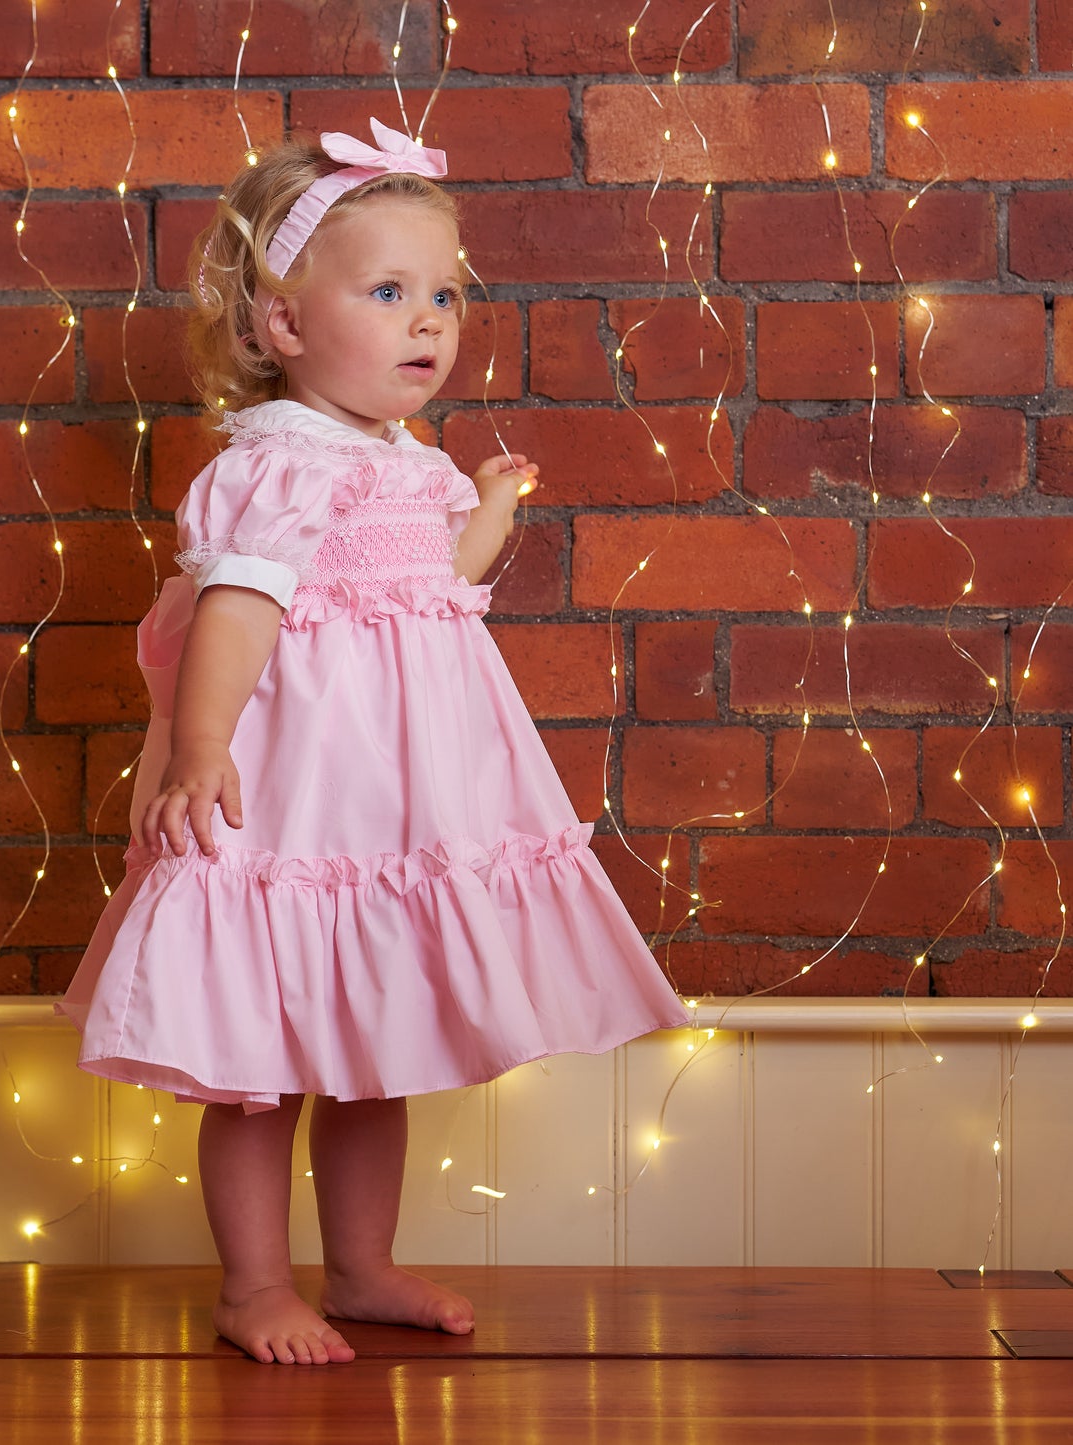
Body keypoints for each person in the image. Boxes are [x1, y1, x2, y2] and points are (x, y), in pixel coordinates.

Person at [60, 119, 689, 1366]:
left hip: (400, 798)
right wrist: (197, 751)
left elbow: (433, 583)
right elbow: (234, 611)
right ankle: (251, 1283)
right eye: (389, 291)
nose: (429, 322)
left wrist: (491, 511)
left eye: (445, 294)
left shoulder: (407, 456)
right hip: (298, 787)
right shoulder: (278, 462)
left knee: (371, 1046)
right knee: (256, 1061)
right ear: (281, 324)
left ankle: (357, 1262)